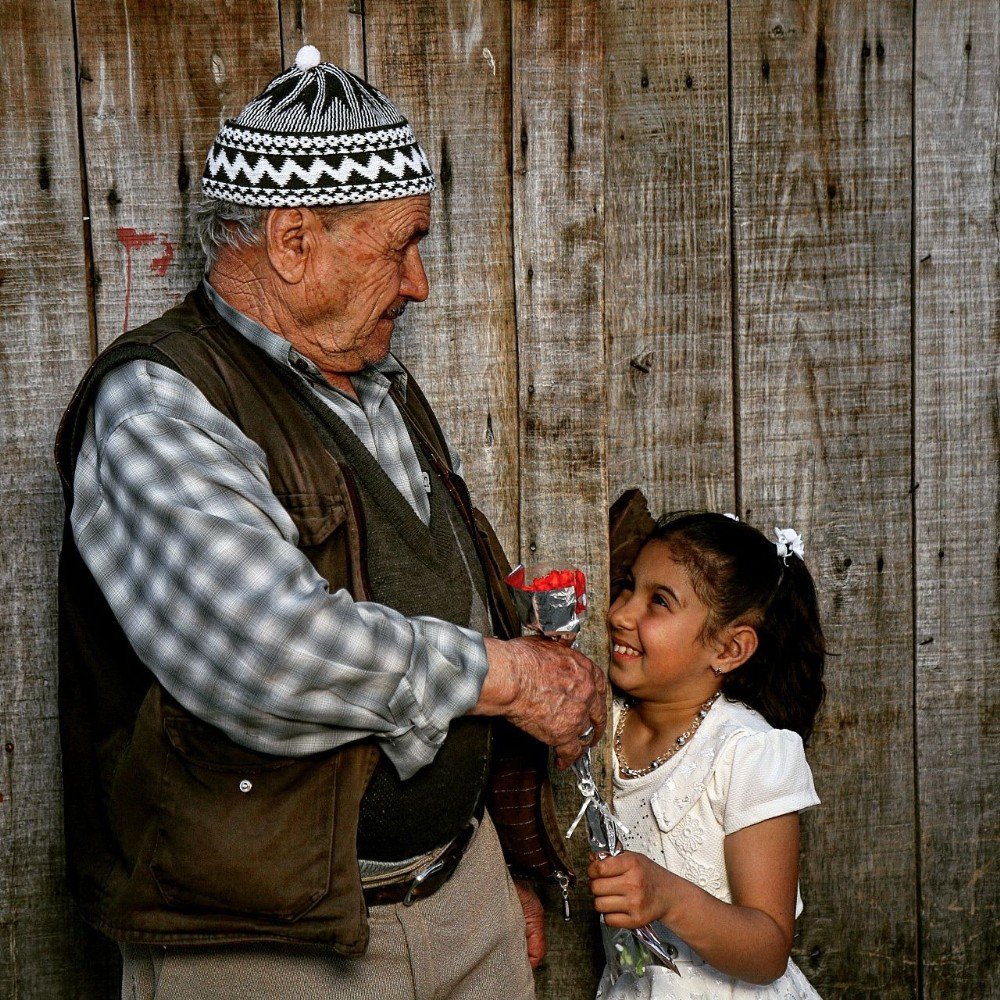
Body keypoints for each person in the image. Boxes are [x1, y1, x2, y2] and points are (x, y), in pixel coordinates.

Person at [54, 47, 606, 1000]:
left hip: (458, 901)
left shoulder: (380, 386)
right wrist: (512, 678)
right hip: (267, 949)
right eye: (400, 245)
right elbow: (270, 651)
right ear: (293, 240)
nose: (420, 282)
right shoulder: (158, 406)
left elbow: (449, 591)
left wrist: (501, 862)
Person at [590, 508, 826, 999]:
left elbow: (768, 949)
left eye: (659, 601)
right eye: (628, 587)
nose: (619, 613)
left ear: (730, 649)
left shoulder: (749, 752)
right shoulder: (598, 723)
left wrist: (666, 896)